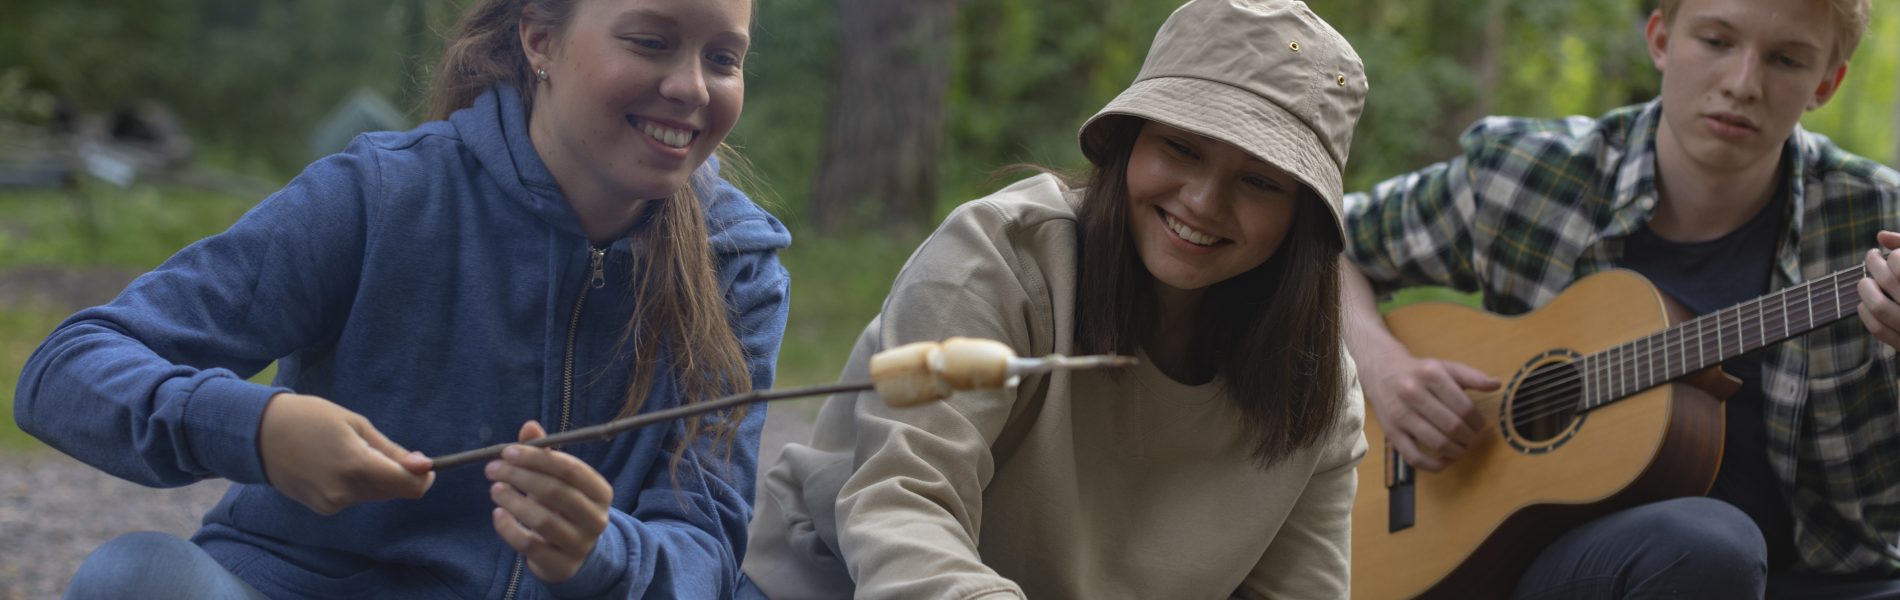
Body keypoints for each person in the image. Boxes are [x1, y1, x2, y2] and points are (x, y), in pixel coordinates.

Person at [14, 0, 789, 597]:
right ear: (540, 40)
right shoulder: (382, 195)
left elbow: (703, 548)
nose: (691, 87)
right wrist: (257, 428)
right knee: (136, 577)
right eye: (650, 41)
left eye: (724, 58)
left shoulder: (738, 269)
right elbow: (66, 370)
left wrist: (601, 553)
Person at [738, 1, 1368, 598]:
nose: (1203, 201)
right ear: (1129, 143)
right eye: (1182, 148)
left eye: (1258, 181)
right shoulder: (997, 261)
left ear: (1301, 220)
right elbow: (902, 499)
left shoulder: (1316, 385)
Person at [1340, 0, 1900, 596]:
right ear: (1660, 39)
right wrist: (1383, 365)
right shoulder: (1529, 175)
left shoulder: (1876, 219)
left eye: (1786, 59)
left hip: (1833, 581)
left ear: (1826, 83)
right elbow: (1322, 241)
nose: (1743, 84)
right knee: (1708, 545)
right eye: (1715, 41)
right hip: (1552, 568)